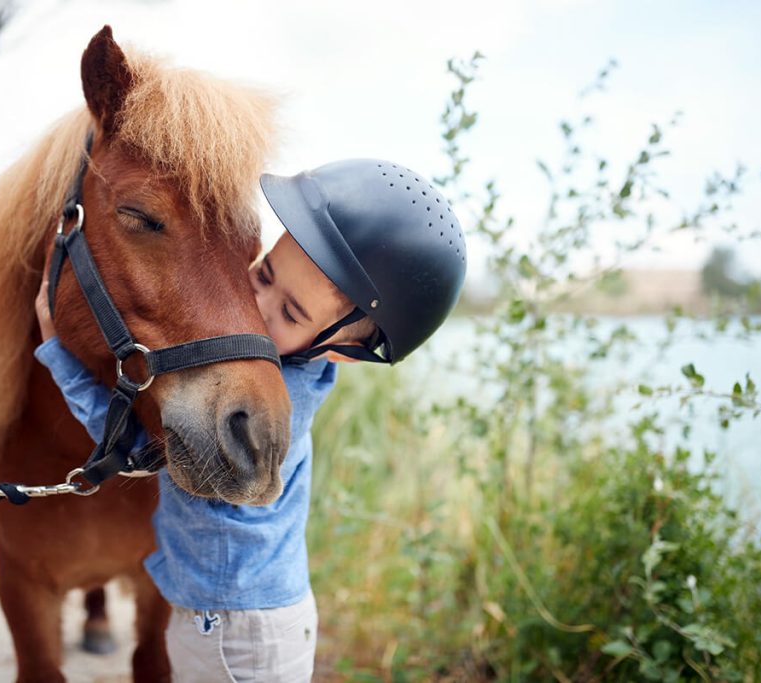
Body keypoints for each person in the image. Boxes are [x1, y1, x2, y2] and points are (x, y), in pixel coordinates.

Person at [33, 159, 466, 681]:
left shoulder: (271, 398)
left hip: (241, 634)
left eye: (290, 314)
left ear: (341, 353)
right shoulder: (280, 361)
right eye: (262, 275)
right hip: (226, 616)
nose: (256, 307)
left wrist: (59, 353)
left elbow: (132, 450)